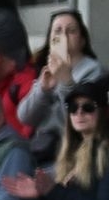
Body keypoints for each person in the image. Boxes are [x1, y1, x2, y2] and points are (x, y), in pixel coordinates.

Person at [17, 11, 102, 162]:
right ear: (50, 40)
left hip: (75, 152)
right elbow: (25, 117)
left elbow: (79, 120)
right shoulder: (48, 68)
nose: (64, 36)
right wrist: (43, 90)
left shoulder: (93, 71)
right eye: (57, 31)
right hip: (43, 148)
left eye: (71, 31)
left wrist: (66, 83)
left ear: (82, 40)